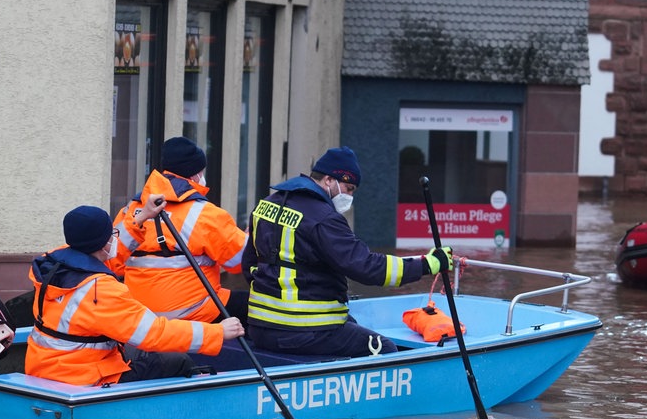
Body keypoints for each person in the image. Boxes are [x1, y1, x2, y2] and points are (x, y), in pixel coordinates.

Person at [242, 146, 452, 358]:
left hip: (261, 328)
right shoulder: (324, 218)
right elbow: (367, 267)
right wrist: (428, 264)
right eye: (349, 188)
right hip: (305, 330)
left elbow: (250, 264)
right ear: (328, 180)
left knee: (350, 324)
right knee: (384, 349)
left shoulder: (265, 206)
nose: (350, 196)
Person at [25, 204, 244, 386]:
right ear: (101, 244)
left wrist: (140, 219)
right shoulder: (102, 290)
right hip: (84, 375)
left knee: (135, 351)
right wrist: (217, 333)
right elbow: (154, 334)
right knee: (176, 361)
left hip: (44, 366)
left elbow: (112, 252)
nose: (114, 239)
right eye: (111, 234)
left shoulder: (53, 264)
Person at [113, 136, 250, 326]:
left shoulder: (131, 209)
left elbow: (113, 261)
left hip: (139, 313)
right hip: (193, 311)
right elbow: (238, 262)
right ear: (194, 175)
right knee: (255, 306)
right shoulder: (205, 214)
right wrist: (250, 237)